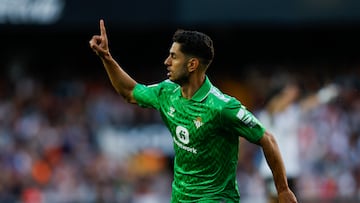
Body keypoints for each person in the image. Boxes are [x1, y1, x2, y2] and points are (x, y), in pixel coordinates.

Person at [89, 19, 298, 203]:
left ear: (192, 64)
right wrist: (106, 57)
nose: (166, 62)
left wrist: (283, 189)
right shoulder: (166, 92)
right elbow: (130, 91)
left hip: (216, 198)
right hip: (180, 198)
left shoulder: (222, 106)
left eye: (173, 57)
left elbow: (267, 139)